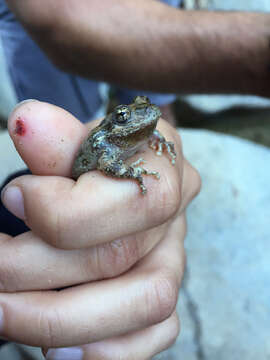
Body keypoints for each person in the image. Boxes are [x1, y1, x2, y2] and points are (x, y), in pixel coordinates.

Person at [0, 1, 269, 359]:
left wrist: (157, 140)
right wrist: (135, 173)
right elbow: (109, 161)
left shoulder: (139, 128)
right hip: (84, 166)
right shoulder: (105, 141)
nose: (143, 117)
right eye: (128, 115)